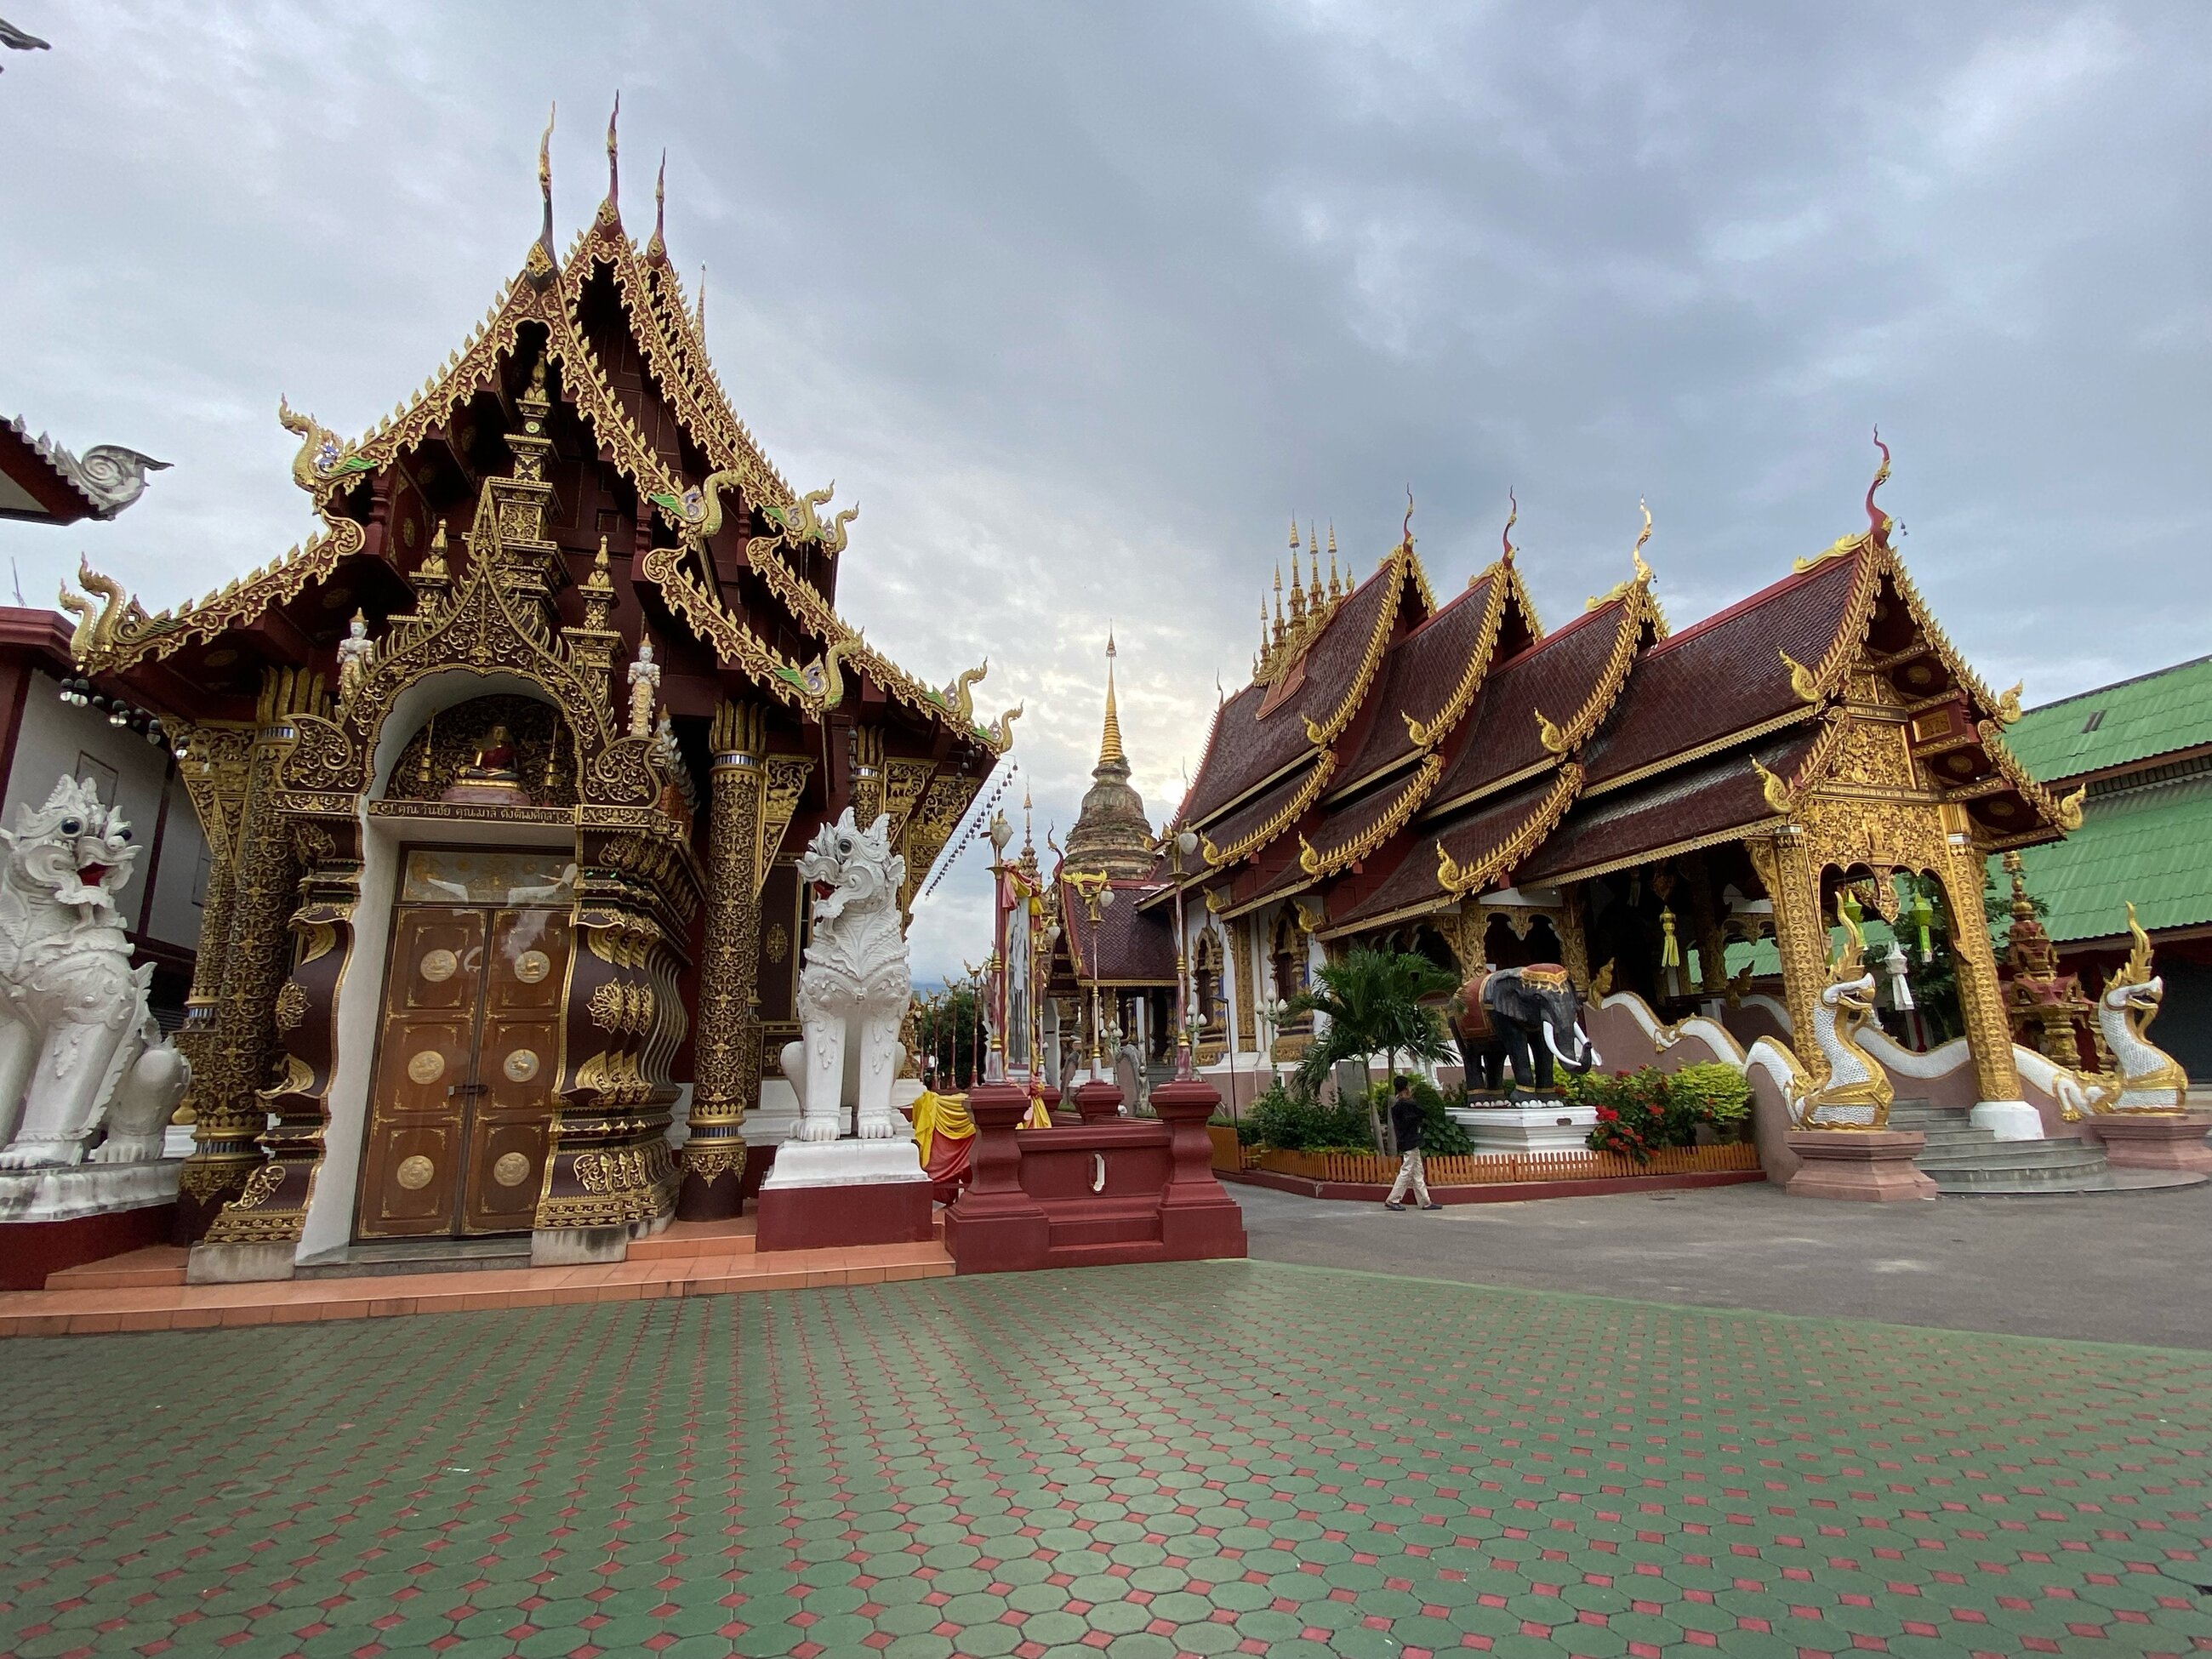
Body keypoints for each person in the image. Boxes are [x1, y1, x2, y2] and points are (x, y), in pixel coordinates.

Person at [1384, 1075, 1442, 1212]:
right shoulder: (1408, 1105)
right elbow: (1423, 1113)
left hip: (1405, 1141)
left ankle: (1425, 1201)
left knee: (1417, 1172)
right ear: (1406, 1088)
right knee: (1407, 1170)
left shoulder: (1396, 1105)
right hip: (1411, 1141)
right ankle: (1393, 1199)